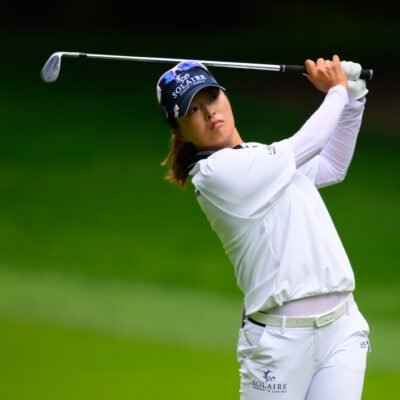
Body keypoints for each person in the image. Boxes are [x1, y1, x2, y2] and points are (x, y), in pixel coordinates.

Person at [156, 55, 370, 400]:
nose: (209, 112)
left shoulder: (259, 155)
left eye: (211, 97)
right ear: (179, 130)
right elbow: (310, 142)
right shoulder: (216, 175)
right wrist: (336, 91)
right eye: (192, 110)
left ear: (225, 97)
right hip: (280, 344)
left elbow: (332, 165)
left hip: (342, 328)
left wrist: (354, 100)